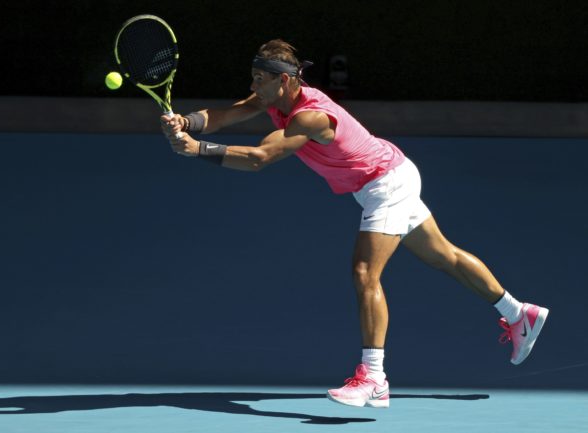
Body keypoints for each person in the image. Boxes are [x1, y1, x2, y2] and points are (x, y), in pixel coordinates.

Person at [160, 39, 549, 409]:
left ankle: (374, 379)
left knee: (365, 272)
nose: (252, 86)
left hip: (384, 182)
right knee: (444, 256)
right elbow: (228, 113)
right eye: (253, 78)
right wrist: (188, 122)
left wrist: (199, 150)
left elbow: (261, 157)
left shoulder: (310, 116)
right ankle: (519, 313)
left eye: (259, 80)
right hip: (393, 172)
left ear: (284, 80)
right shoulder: (271, 96)